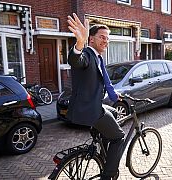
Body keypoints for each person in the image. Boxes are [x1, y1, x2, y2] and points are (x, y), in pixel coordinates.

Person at [66, 13, 125, 180]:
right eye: (102, 37)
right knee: (119, 138)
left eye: (107, 38)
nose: (106, 41)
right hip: (88, 110)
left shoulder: (98, 58)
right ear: (91, 39)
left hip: (91, 106)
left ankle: (103, 149)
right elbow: (76, 60)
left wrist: (114, 95)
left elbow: (104, 81)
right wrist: (79, 42)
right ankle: (108, 175)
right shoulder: (87, 55)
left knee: (112, 112)